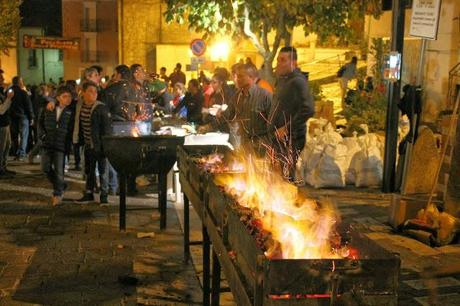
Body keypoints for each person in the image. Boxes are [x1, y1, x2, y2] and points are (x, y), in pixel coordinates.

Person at [203, 63, 272, 155]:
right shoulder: (237, 97)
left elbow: (274, 123)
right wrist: (208, 127)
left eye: (240, 76)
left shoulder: (265, 96)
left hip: (262, 147)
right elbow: (227, 116)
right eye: (236, 76)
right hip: (245, 146)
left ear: (250, 76)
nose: (237, 79)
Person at [269, 46, 314, 182]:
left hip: (292, 139)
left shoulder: (298, 82)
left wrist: (286, 128)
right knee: (278, 177)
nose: (279, 63)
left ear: (293, 63)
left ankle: (290, 202)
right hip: (279, 139)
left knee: (286, 178)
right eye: (278, 60)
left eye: (283, 60)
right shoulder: (283, 80)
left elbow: (308, 109)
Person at [73, 81, 111, 204]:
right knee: (89, 170)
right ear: (83, 93)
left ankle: (104, 196)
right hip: (88, 145)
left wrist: (105, 146)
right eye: (90, 91)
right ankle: (89, 194)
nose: (93, 94)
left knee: (102, 171)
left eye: (95, 92)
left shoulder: (101, 108)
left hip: (99, 146)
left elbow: (106, 129)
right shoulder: (79, 106)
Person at [39, 85, 75, 206]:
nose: (68, 99)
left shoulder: (72, 111)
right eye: (65, 97)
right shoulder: (48, 108)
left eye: (69, 96)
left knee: (59, 171)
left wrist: (69, 144)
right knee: (45, 168)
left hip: (61, 144)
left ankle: (57, 194)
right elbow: (40, 123)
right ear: (58, 98)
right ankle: (61, 185)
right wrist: (43, 136)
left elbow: (71, 129)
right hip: (47, 143)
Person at [9, 76, 34, 160]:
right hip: (23, 116)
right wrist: (31, 117)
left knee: (14, 136)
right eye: (22, 81)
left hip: (12, 117)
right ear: (20, 82)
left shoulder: (8, 92)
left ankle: (15, 152)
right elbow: (28, 105)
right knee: (24, 136)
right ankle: (21, 154)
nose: (23, 83)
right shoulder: (23, 92)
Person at [0, 69, 15, 178]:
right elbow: (1, 110)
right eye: (0, 77)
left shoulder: (1, 91)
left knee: (7, 146)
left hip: (5, 123)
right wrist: (9, 98)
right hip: (1, 124)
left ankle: (4, 167)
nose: (3, 79)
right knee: (1, 147)